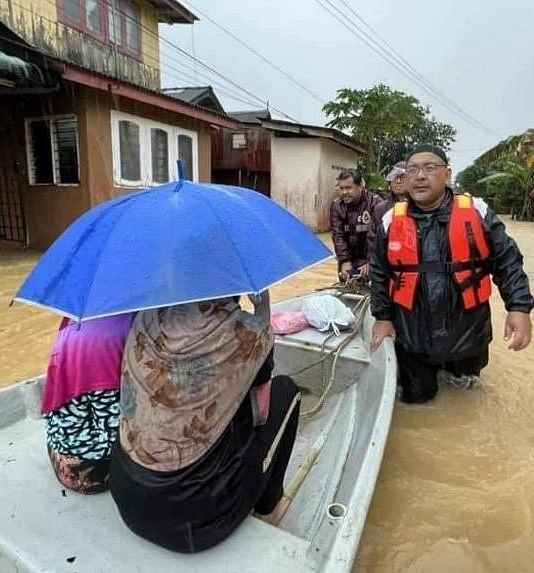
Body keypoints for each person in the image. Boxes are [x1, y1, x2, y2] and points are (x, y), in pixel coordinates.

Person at [108, 293, 301, 553]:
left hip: (126, 494)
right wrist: (262, 308)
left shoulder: (145, 316)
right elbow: (261, 412)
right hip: (196, 523)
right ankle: (270, 506)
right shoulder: (245, 332)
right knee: (287, 390)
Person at [369, 144, 534, 403]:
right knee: (417, 400)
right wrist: (382, 317)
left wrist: (519, 308)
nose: (420, 175)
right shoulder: (390, 219)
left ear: (447, 175)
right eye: (413, 169)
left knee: (466, 396)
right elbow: (379, 271)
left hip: (468, 332)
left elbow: (507, 261)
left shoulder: (476, 211)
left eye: (429, 168)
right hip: (413, 335)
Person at [41, 313, 136, 494]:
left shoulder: (78, 318)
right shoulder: (119, 336)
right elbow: (113, 439)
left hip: (58, 446)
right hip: (89, 470)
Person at [330, 169, 382, 282]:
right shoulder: (337, 206)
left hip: (371, 261)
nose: (344, 192)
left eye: (348, 188)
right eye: (341, 188)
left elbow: (378, 236)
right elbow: (337, 235)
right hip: (348, 260)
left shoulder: (375, 203)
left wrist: (371, 262)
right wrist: (344, 260)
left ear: (360, 186)